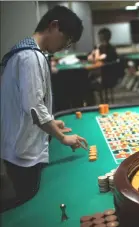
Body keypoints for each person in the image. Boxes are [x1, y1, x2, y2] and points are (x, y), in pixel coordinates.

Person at [0, 6, 88, 212]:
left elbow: (27, 105)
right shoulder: (31, 56)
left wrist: (49, 122)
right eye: (66, 40)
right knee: (28, 207)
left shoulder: (22, 51)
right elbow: (34, 107)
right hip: (22, 151)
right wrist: (63, 137)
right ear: (54, 26)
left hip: (16, 144)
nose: (64, 47)